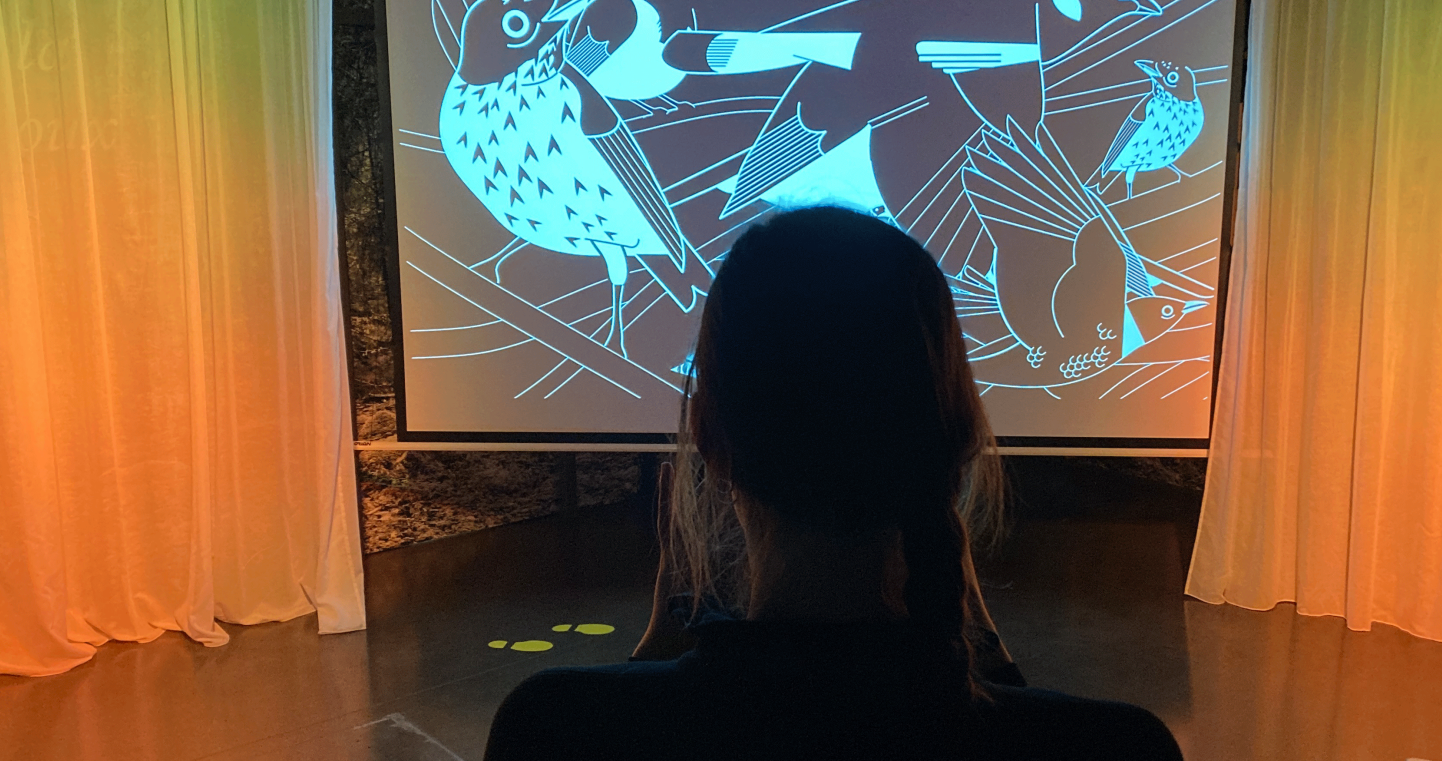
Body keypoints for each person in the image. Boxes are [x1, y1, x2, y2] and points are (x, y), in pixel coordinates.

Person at [484, 207, 1183, 760]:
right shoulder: (1120, 747)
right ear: (961, 440)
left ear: (708, 438)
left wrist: (658, 647)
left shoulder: (552, 728)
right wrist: (978, 632)